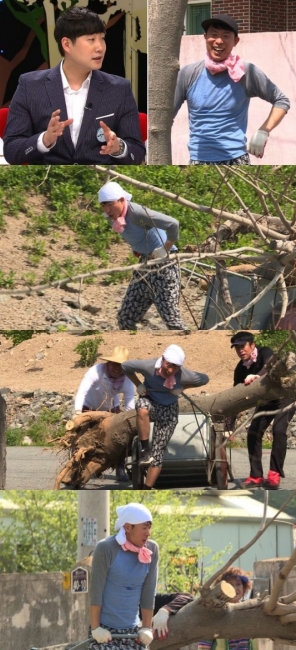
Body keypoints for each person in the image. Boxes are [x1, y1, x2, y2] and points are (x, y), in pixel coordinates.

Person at [3, 7, 145, 165]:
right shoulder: (30, 86)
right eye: (91, 39)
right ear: (67, 44)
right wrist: (45, 140)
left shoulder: (119, 89)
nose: (100, 47)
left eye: (102, 38)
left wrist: (119, 148)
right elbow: (11, 151)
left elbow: (137, 152)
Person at [174, 14, 290, 165]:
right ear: (205, 37)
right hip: (198, 159)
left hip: (236, 159)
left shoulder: (246, 72)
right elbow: (165, 116)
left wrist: (264, 131)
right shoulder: (188, 73)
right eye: (214, 35)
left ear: (236, 41)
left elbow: (281, 101)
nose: (219, 41)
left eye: (226, 36)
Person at [98, 181, 187, 331]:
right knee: (126, 318)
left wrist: (165, 248)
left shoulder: (137, 213)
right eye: (103, 205)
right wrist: (137, 248)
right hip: (145, 265)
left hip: (165, 264)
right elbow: (134, 234)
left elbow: (173, 224)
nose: (107, 210)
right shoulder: (112, 216)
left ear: (121, 200)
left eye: (110, 204)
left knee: (172, 321)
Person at [121, 344, 209, 489]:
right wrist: (138, 384)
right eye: (169, 365)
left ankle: (146, 489)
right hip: (150, 401)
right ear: (162, 359)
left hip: (169, 410)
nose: (170, 370)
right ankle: (144, 450)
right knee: (142, 408)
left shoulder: (183, 374)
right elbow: (125, 366)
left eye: (175, 367)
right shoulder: (148, 366)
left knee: (157, 455)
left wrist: (182, 387)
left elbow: (204, 379)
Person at [230, 331, 296, 489]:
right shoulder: (240, 369)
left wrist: (255, 376)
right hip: (266, 401)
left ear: (252, 345)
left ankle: (274, 474)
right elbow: (235, 398)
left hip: (285, 396)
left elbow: (269, 367)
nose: (240, 350)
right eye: (237, 348)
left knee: (279, 430)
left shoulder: (265, 351)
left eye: (243, 346)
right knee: (253, 432)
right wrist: (230, 426)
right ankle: (256, 476)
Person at [90, 502, 158, 650]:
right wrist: (95, 628)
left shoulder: (152, 548)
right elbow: (96, 590)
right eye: (144, 528)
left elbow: (149, 591)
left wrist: (147, 627)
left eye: (149, 527)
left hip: (134, 632)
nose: (148, 532)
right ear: (128, 527)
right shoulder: (106, 548)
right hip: (105, 630)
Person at [152, 566, 254, 650]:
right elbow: (204, 644)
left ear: (244, 587)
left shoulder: (249, 610)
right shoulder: (215, 611)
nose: (235, 588)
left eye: (238, 584)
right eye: (230, 584)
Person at [74, 345, 135, 482]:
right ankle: (79, 467)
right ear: (109, 362)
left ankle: (120, 467)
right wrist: (78, 413)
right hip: (88, 407)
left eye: (120, 365)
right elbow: (82, 391)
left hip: (111, 409)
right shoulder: (95, 371)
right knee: (83, 438)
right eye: (114, 364)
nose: (116, 368)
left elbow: (130, 400)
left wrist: (129, 419)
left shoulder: (127, 379)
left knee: (122, 438)